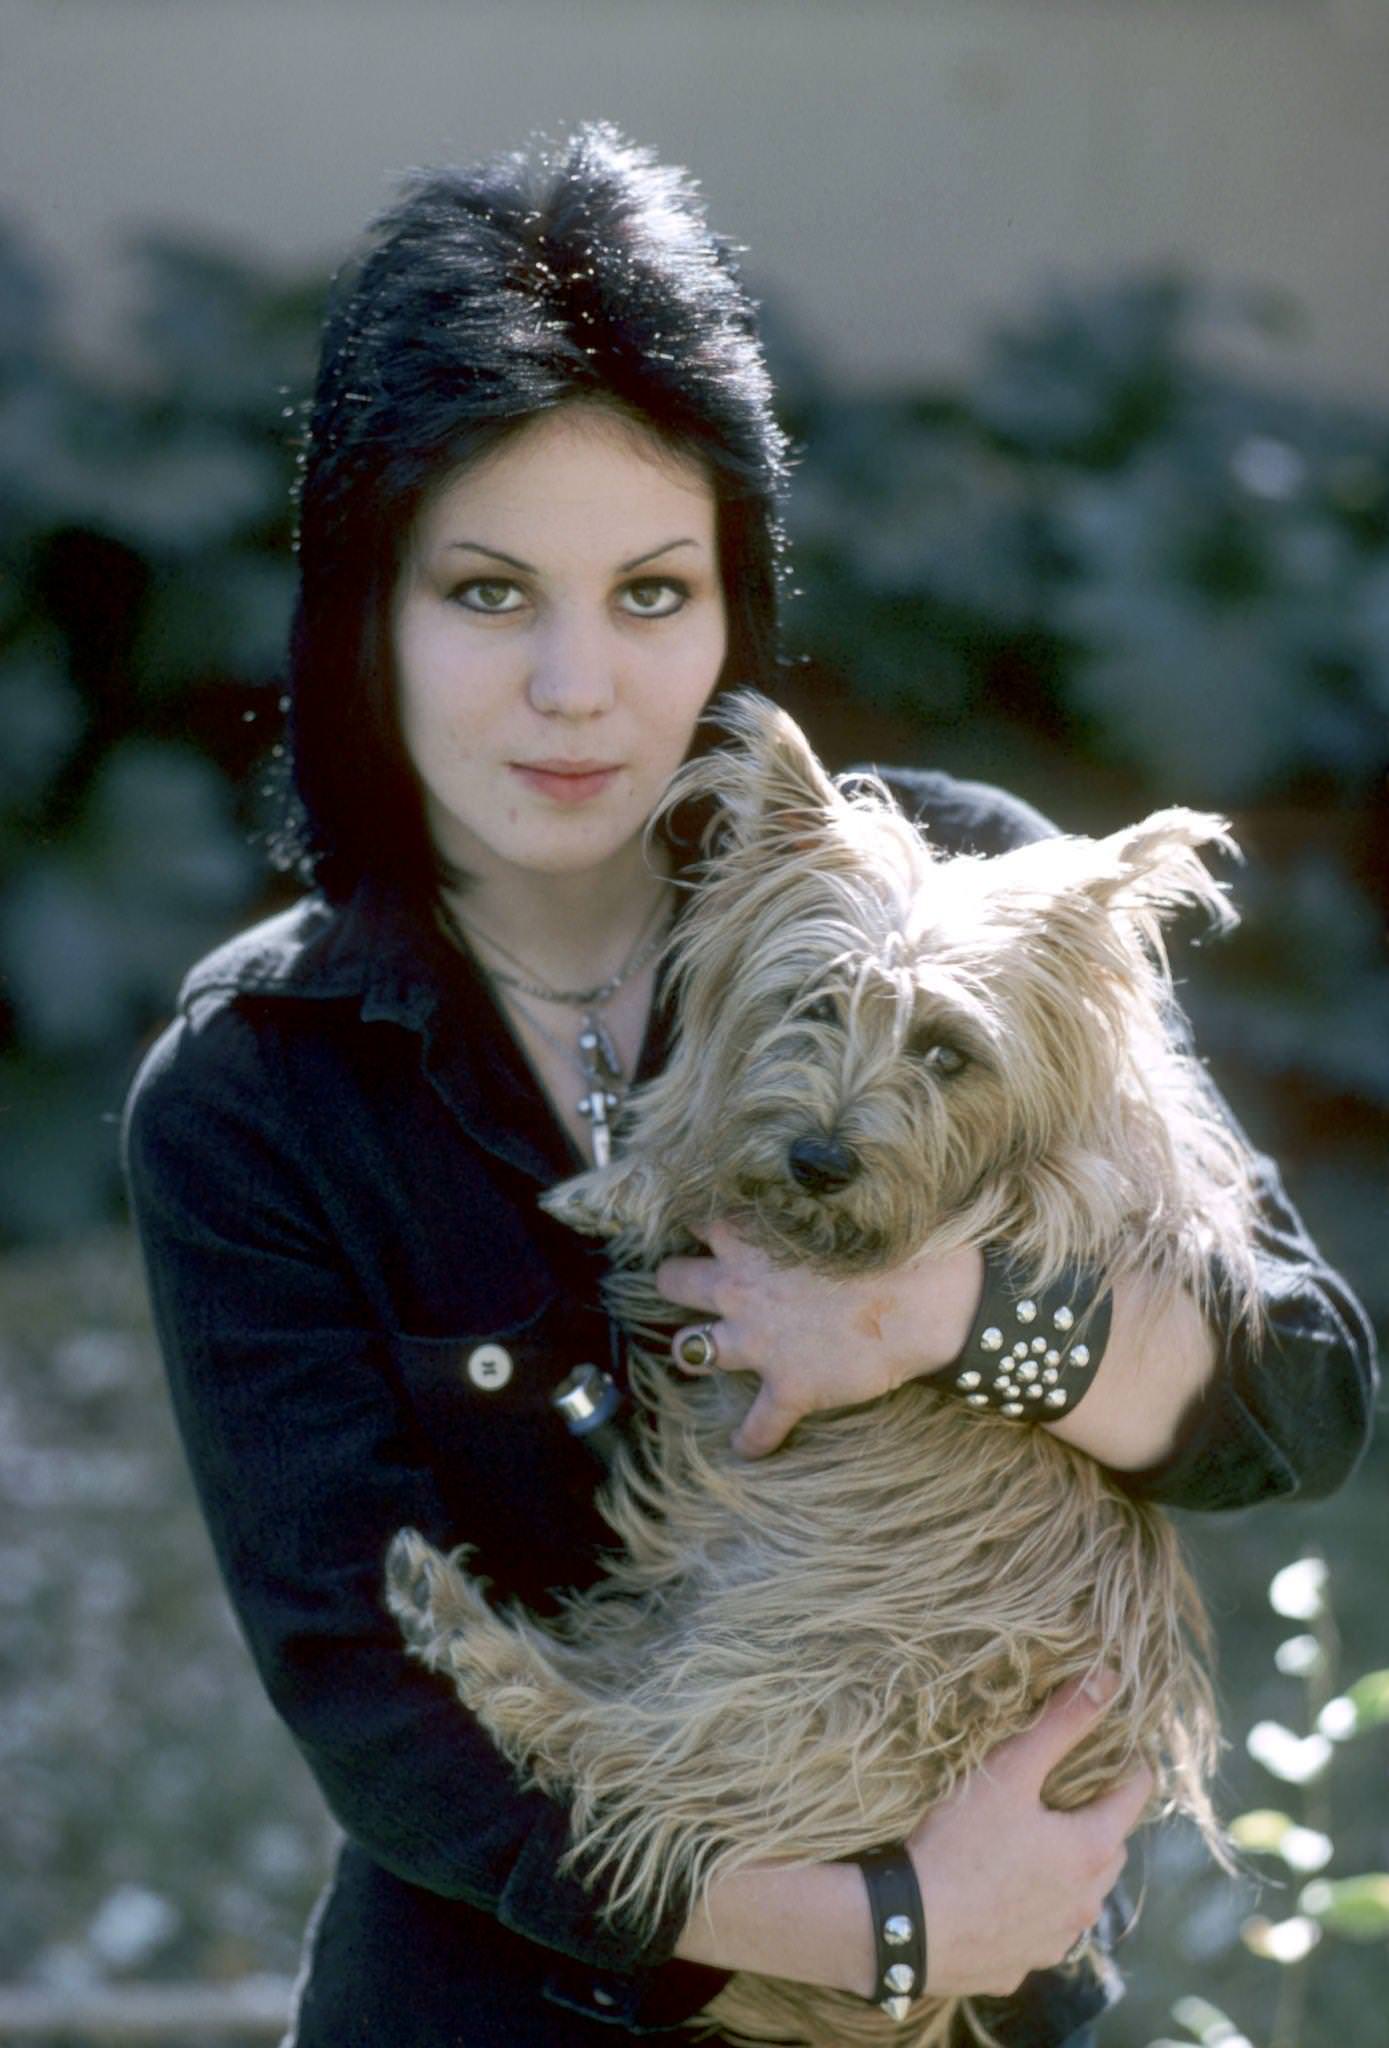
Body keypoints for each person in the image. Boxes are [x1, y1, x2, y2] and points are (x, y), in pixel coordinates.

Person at [121, 121, 1376, 2048]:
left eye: (649, 592)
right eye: (484, 594)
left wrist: (932, 1311)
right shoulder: (259, 1091)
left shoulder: (956, 894)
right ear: (363, 609)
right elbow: (382, 1714)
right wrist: (882, 1929)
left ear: (733, 604)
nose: (576, 686)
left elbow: (1292, 1399)